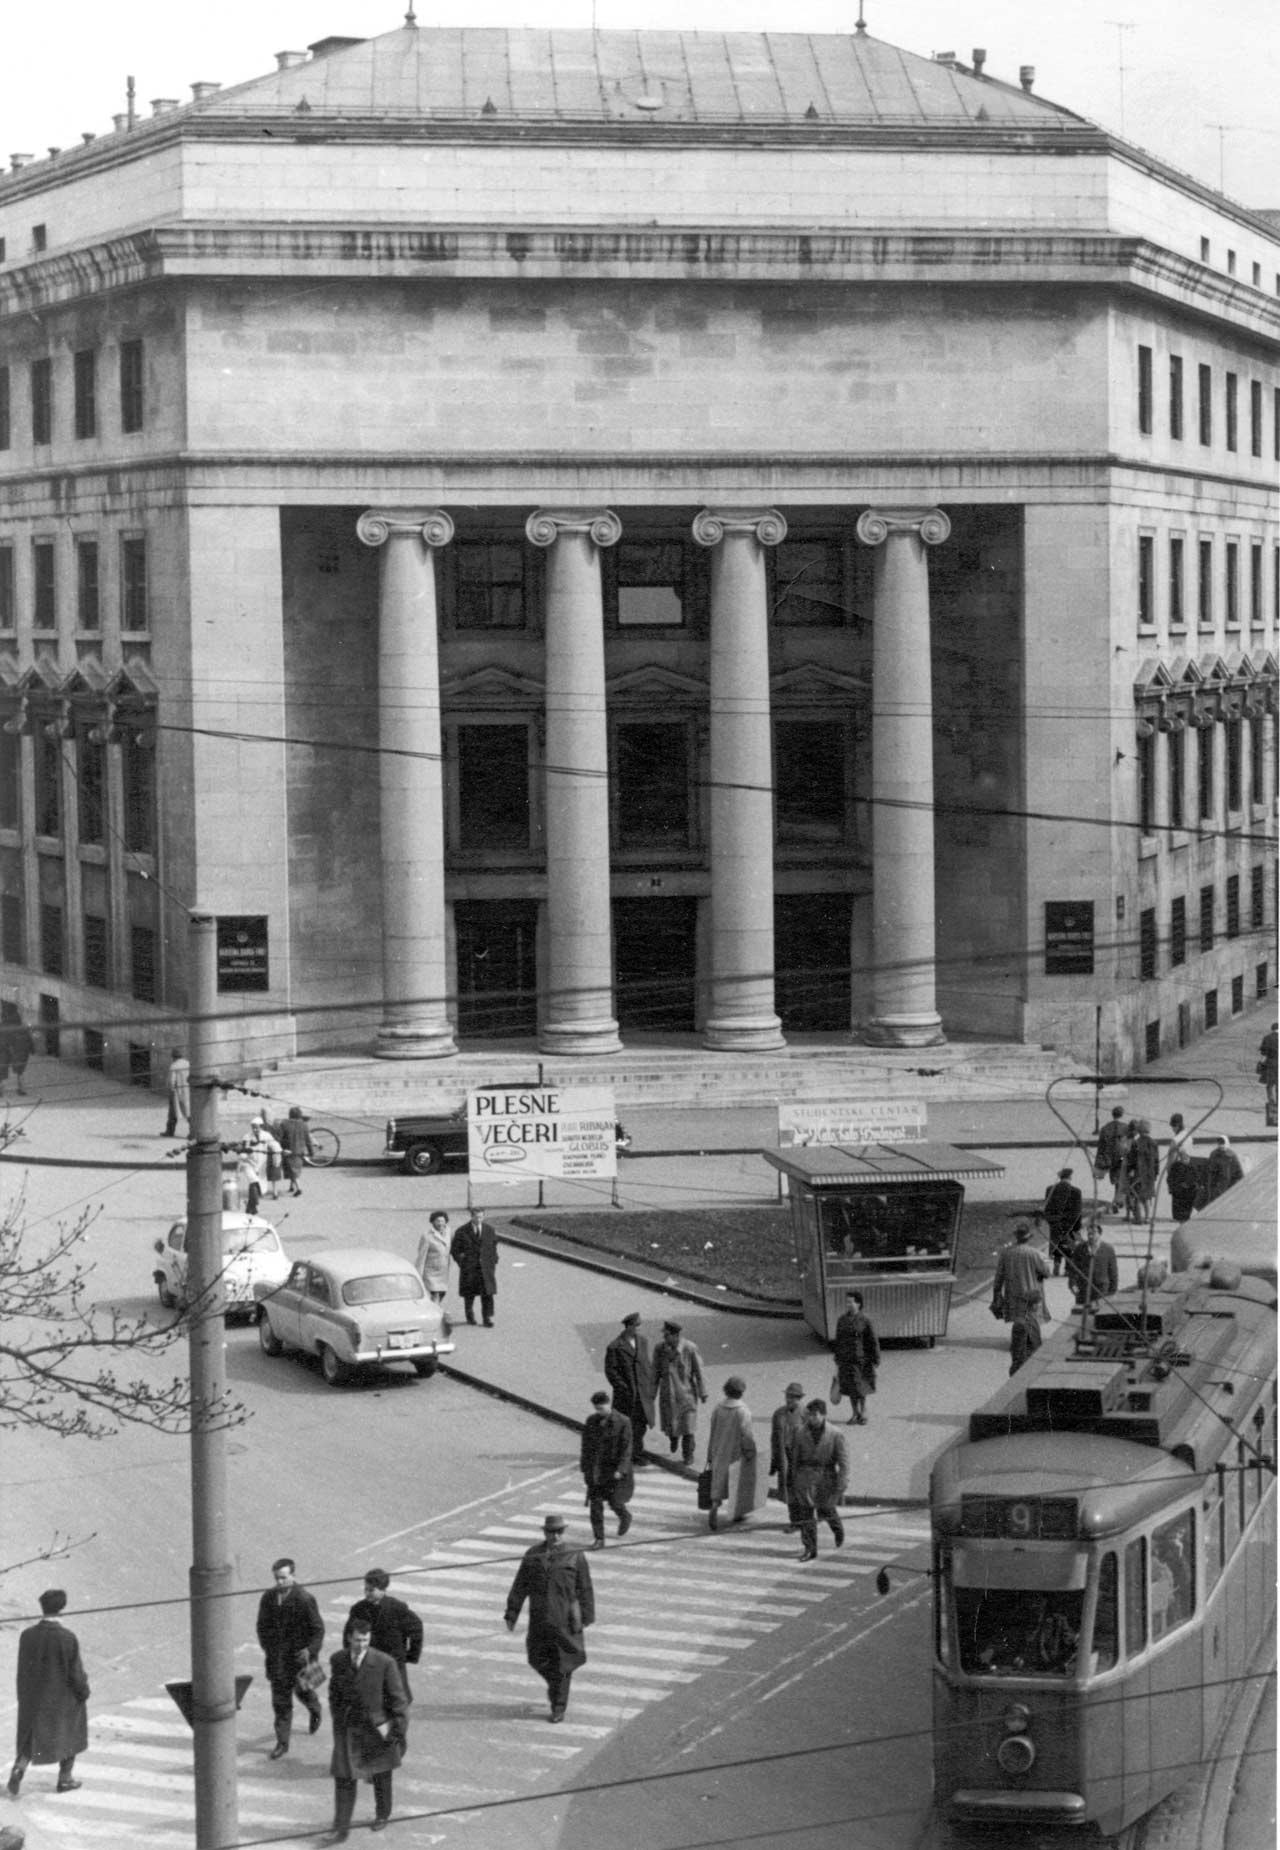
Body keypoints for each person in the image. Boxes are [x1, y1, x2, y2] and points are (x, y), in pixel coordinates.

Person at [323, 1614, 408, 1842]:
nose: (361, 1645)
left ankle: (382, 1813)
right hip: (348, 1729)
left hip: (376, 1729)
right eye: (357, 1640)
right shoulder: (338, 1659)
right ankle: (341, 1827)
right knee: (344, 1779)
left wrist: (397, 1732)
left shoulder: (385, 1663)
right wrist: (337, 1718)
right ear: (349, 1638)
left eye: (365, 1640)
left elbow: (399, 1701)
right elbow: (333, 1693)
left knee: (381, 1775)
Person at [503, 1514, 595, 1723]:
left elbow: (585, 1587)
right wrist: (512, 1613)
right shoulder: (533, 1555)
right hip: (540, 1619)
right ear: (544, 1532)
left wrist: (587, 1615)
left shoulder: (575, 1556)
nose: (555, 1536)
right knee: (536, 1658)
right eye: (551, 1532)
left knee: (564, 1664)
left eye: (559, 1532)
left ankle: (558, 1707)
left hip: (565, 1621)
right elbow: (520, 1585)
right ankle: (555, 1686)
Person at [7, 1589, 90, 1797]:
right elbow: (75, 1674)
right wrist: (83, 1692)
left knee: (31, 1736)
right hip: (60, 1698)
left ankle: (19, 1768)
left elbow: (22, 1669)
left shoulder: (27, 1635)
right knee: (71, 1732)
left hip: (33, 1698)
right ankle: (65, 1779)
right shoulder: (67, 1637)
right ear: (62, 1608)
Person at [255, 1556, 325, 1758]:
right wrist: (268, 1648)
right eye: (276, 1578)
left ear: (293, 1576)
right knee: (281, 1703)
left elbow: (318, 1629)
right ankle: (282, 1743)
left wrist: (310, 1651)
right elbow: (261, 1626)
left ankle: (315, 1709)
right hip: (277, 1660)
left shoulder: (304, 1599)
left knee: (304, 1692)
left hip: (299, 1660)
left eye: (283, 1578)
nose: (279, 1582)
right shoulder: (268, 1597)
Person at [347, 1570, 423, 1700]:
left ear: (383, 1589)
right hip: (368, 1664)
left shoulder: (397, 1608)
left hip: (393, 1663)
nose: (367, 1593)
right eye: (365, 1589)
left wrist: (411, 1655)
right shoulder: (358, 1609)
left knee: (397, 1698)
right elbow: (349, 1635)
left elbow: (416, 1628)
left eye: (371, 1590)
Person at [787, 1399, 849, 1561]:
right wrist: (794, 1478)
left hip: (826, 1477)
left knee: (827, 1509)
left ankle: (837, 1529)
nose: (812, 1418)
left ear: (824, 1415)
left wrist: (842, 1482)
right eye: (809, 1415)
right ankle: (810, 1548)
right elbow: (795, 1458)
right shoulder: (800, 1432)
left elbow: (843, 1462)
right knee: (806, 1514)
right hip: (805, 1477)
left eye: (815, 1415)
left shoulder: (835, 1434)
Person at [991, 1222, 1051, 1375]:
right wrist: (1047, 1260)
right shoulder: (1036, 1253)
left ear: (1016, 1237)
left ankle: (1018, 1359)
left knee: (1019, 1327)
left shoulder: (1006, 1254)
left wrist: (996, 1295)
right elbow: (1047, 1271)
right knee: (1032, 1328)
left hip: (1013, 1297)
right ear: (1029, 1238)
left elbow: (998, 1278)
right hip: (1031, 1298)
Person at [703, 1375, 761, 1531]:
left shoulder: (718, 1408)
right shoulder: (743, 1411)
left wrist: (710, 1454)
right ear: (741, 1393)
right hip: (736, 1454)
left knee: (718, 1483)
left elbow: (712, 1430)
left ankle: (714, 1506)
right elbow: (747, 1435)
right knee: (737, 1483)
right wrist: (751, 1453)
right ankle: (737, 1513)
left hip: (718, 1451)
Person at [579, 1389, 634, 1548]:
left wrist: (621, 1470)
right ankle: (599, 1538)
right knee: (595, 1506)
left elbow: (627, 1448)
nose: (599, 1412)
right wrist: (585, 1467)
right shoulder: (591, 1421)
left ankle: (624, 1516)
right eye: (596, 1408)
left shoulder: (623, 1421)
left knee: (614, 1501)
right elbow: (586, 1446)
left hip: (613, 1471)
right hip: (596, 1471)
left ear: (608, 1404)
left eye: (601, 1408)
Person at [651, 1319, 708, 1467]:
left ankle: (688, 1454)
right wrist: (651, 1393)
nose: (664, 1338)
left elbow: (699, 1371)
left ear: (676, 1335)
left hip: (686, 1395)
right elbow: (654, 1372)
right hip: (667, 1394)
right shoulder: (660, 1349)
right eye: (664, 1335)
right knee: (671, 1424)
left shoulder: (689, 1348)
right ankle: (673, 1438)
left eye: (667, 1335)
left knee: (688, 1427)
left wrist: (703, 1392)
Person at [603, 1312, 656, 1466]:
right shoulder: (615, 1346)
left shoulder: (643, 1341)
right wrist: (623, 1388)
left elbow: (647, 1364)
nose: (639, 1328)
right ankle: (622, 1456)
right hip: (626, 1396)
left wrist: (650, 1385)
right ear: (628, 1327)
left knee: (640, 1426)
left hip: (642, 1393)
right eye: (636, 1326)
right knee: (625, 1426)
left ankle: (636, 1454)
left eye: (640, 1325)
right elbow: (611, 1371)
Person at [832, 1290, 880, 1425]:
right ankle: (854, 1413)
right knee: (850, 1388)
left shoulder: (865, 1320)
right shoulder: (842, 1320)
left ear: (858, 1304)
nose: (848, 1304)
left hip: (861, 1360)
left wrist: (876, 1358)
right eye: (847, 1302)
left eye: (850, 1302)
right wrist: (837, 1357)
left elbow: (873, 1340)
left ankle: (863, 1412)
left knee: (861, 1387)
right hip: (846, 1359)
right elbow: (838, 1340)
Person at [769, 1381, 808, 1533]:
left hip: (801, 1459)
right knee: (789, 1490)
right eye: (788, 1396)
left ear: (800, 1399)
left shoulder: (806, 1414)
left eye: (794, 1397)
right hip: (784, 1457)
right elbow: (774, 1438)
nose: (790, 1400)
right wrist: (774, 1461)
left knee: (802, 1490)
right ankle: (795, 1521)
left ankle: (806, 1521)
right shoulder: (779, 1414)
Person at [450, 1206, 498, 1327]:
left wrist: (493, 1261)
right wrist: (462, 1263)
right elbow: (455, 1250)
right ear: (471, 1217)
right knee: (469, 1294)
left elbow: (493, 1247)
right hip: (469, 1268)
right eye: (476, 1217)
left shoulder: (489, 1230)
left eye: (481, 1217)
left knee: (487, 1294)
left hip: (485, 1268)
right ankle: (470, 1315)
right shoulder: (462, 1231)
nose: (478, 1219)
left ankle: (487, 1318)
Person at [1066, 1218, 1118, 1309]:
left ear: (1100, 1234)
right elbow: (1073, 1270)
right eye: (1089, 1233)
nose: (1090, 1236)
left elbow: (1113, 1272)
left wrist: (1112, 1292)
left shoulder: (1108, 1249)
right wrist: (1073, 1287)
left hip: (1102, 1290)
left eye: (1093, 1233)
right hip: (1083, 1290)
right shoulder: (1079, 1249)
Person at [1039, 1167, 1083, 1275]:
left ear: (1060, 1177)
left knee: (1055, 1244)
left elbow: (1047, 1208)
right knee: (1070, 1246)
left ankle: (1056, 1263)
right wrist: (1077, 1226)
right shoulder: (1076, 1191)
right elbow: (1078, 1211)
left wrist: (1051, 1221)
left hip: (1055, 1224)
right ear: (1070, 1177)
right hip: (1070, 1224)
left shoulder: (1050, 1189)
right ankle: (1068, 1268)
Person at [1094, 1105, 1129, 1213]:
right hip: (1122, 1157)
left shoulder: (1105, 1128)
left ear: (1112, 1114)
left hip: (1109, 1157)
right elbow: (1129, 1144)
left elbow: (1101, 1146)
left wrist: (1099, 1162)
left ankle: (1118, 1201)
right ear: (1122, 1114)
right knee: (1120, 1180)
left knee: (1116, 1180)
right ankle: (1118, 1202)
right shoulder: (1126, 1127)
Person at [1123, 1119, 1159, 1223]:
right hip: (1149, 1174)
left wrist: (1129, 1171)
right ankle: (1147, 1218)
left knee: (1137, 1197)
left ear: (1139, 1130)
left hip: (1138, 1174)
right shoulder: (1154, 1143)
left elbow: (1131, 1160)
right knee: (1146, 1197)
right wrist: (1155, 1174)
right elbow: (1156, 1161)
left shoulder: (1136, 1143)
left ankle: (1138, 1217)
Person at [415, 1210, 452, 1303]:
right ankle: (435, 1310)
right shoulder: (427, 1236)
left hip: (443, 1272)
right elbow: (421, 1256)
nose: (440, 1223)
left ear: (445, 1222)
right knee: (435, 1294)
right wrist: (418, 1274)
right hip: (431, 1272)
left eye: (442, 1221)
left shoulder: (449, 1233)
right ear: (432, 1222)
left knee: (442, 1294)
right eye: (437, 1221)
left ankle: (432, 1307)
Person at [278, 1106, 315, 1197]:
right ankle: (292, 1187)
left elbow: (279, 1137)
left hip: (288, 1151)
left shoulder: (284, 1124)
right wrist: (311, 1152)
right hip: (299, 1151)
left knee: (291, 1170)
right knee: (295, 1169)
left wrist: (279, 1149)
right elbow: (308, 1140)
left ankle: (299, 1188)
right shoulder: (304, 1125)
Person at [0, 1005, 35, 1099]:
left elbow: (3, 1040)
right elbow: (29, 1039)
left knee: (2, 1070)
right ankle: (22, 1089)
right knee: (20, 1071)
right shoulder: (22, 1027)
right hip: (21, 1052)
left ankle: (1, 1091)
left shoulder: (3, 1026)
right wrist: (32, 1050)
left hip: (6, 1050)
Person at [1205, 1136, 1245, 1201]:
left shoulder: (1232, 1155)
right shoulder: (1214, 1154)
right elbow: (1210, 1170)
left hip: (1229, 1186)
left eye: (1223, 1143)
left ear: (1226, 1143)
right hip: (1216, 1186)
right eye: (1219, 1143)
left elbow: (1239, 1172)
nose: (1221, 1145)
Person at [163, 1048, 191, 1138]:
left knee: (172, 1112)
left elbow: (171, 1081)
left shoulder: (174, 1066)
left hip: (177, 1092)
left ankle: (170, 1131)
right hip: (188, 1091)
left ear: (173, 1057)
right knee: (188, 1111)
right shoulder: (188, 1064)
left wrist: (169, 1090)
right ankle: (193, 1131)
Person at [1259, 1022, 1279, 1116]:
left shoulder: (1267, 1038)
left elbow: (1264, 1054)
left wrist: (1261, 1063)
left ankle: (1272, 1104)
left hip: (1271, 1065)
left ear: (1272, 1029)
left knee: (1270, 1085)